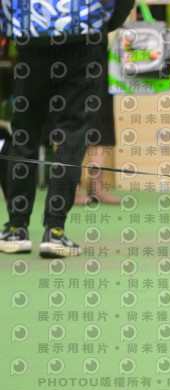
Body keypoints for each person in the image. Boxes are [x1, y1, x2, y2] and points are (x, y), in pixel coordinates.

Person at [0, 0, 135, 257]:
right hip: (85, 43)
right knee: (73, 135)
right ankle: (55, 231)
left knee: (24, 135)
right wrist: (104, 25)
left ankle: (16, 229)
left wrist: (11, 29)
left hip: (32, 43)